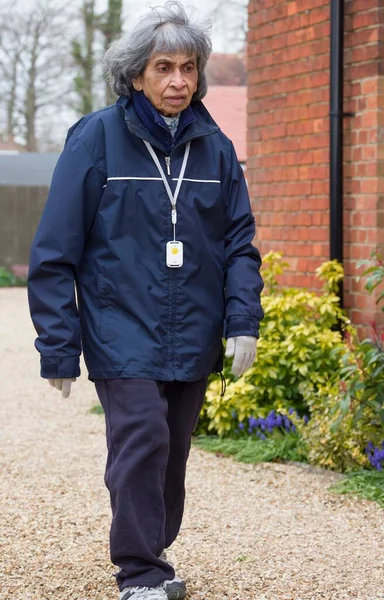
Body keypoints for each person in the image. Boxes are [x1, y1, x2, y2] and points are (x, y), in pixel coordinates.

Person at [28, 2, 264, 599]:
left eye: (188, 67)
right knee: (143, 437)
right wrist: (58, 345)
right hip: (120, 326)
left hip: (194, 328)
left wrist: (244, 320)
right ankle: (139, 571)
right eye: (164, 67)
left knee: (173, 451)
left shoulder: (214, 148)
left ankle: (152, 552)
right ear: (136, 75)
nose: (178, 81)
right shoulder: (96, 139)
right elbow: (55, 250)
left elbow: (240, 243)